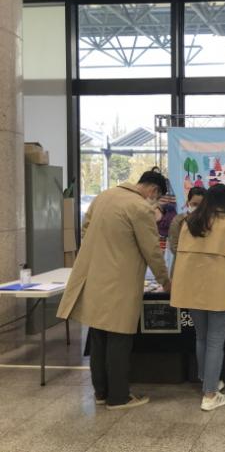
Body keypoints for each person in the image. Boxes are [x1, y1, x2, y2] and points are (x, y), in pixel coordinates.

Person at [57, 171, 171, 410]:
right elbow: (152, 250)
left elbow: (85, 230)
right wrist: (165, 281)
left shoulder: (104, 196)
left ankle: (101, 392)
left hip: (95, 278)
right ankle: (118, 397)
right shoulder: (140, 208)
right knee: (119, 338)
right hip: (120, 282)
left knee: (98, 337)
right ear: (154, 190)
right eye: (157, 196)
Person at [171, 184, 225, 411]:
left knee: (201, 337)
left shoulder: (189, 222)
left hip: (191, 288)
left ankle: (207, 380)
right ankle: (210, 395)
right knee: (215, 340)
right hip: (220, 289)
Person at [168, 186, 206, 276]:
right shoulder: (179, 221)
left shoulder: (209, 223)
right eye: (194, 204)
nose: (197, 208)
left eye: (201, 205)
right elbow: (174, 247)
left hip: (203, 269)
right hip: (182, 268)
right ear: (188, 203)